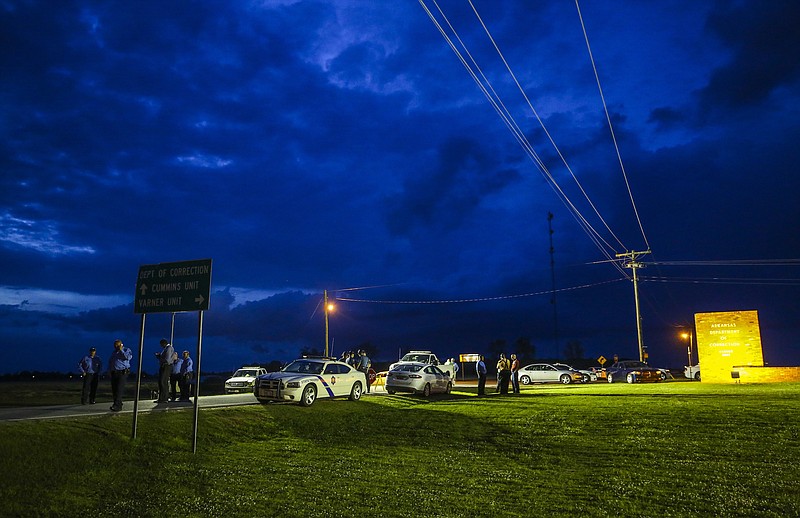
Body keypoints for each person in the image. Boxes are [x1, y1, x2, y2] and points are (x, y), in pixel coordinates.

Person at [108, 339, 132, 412]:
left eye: (117, 345)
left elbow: (127, 357)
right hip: (114, 372)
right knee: (114, 389)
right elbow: (111, 362)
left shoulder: (127, 350)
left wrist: (121, 350)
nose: (116, 346)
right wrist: (109, 370)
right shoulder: (114, 352)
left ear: (121, 344)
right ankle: (118, 403)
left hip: (122, 372)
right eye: (115, 345)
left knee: (119, 388)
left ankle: (117, 405)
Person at [154, 339, 174, 403]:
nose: (161, 346)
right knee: (161, 381)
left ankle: (164, 398)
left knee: (163, 381)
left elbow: (167, 359)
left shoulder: (168, 348)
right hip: (164, 366)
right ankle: (162, 397)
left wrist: (160, 357)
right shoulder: (166, 349)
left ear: (164, 343)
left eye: (161, 344)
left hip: (166, 366)